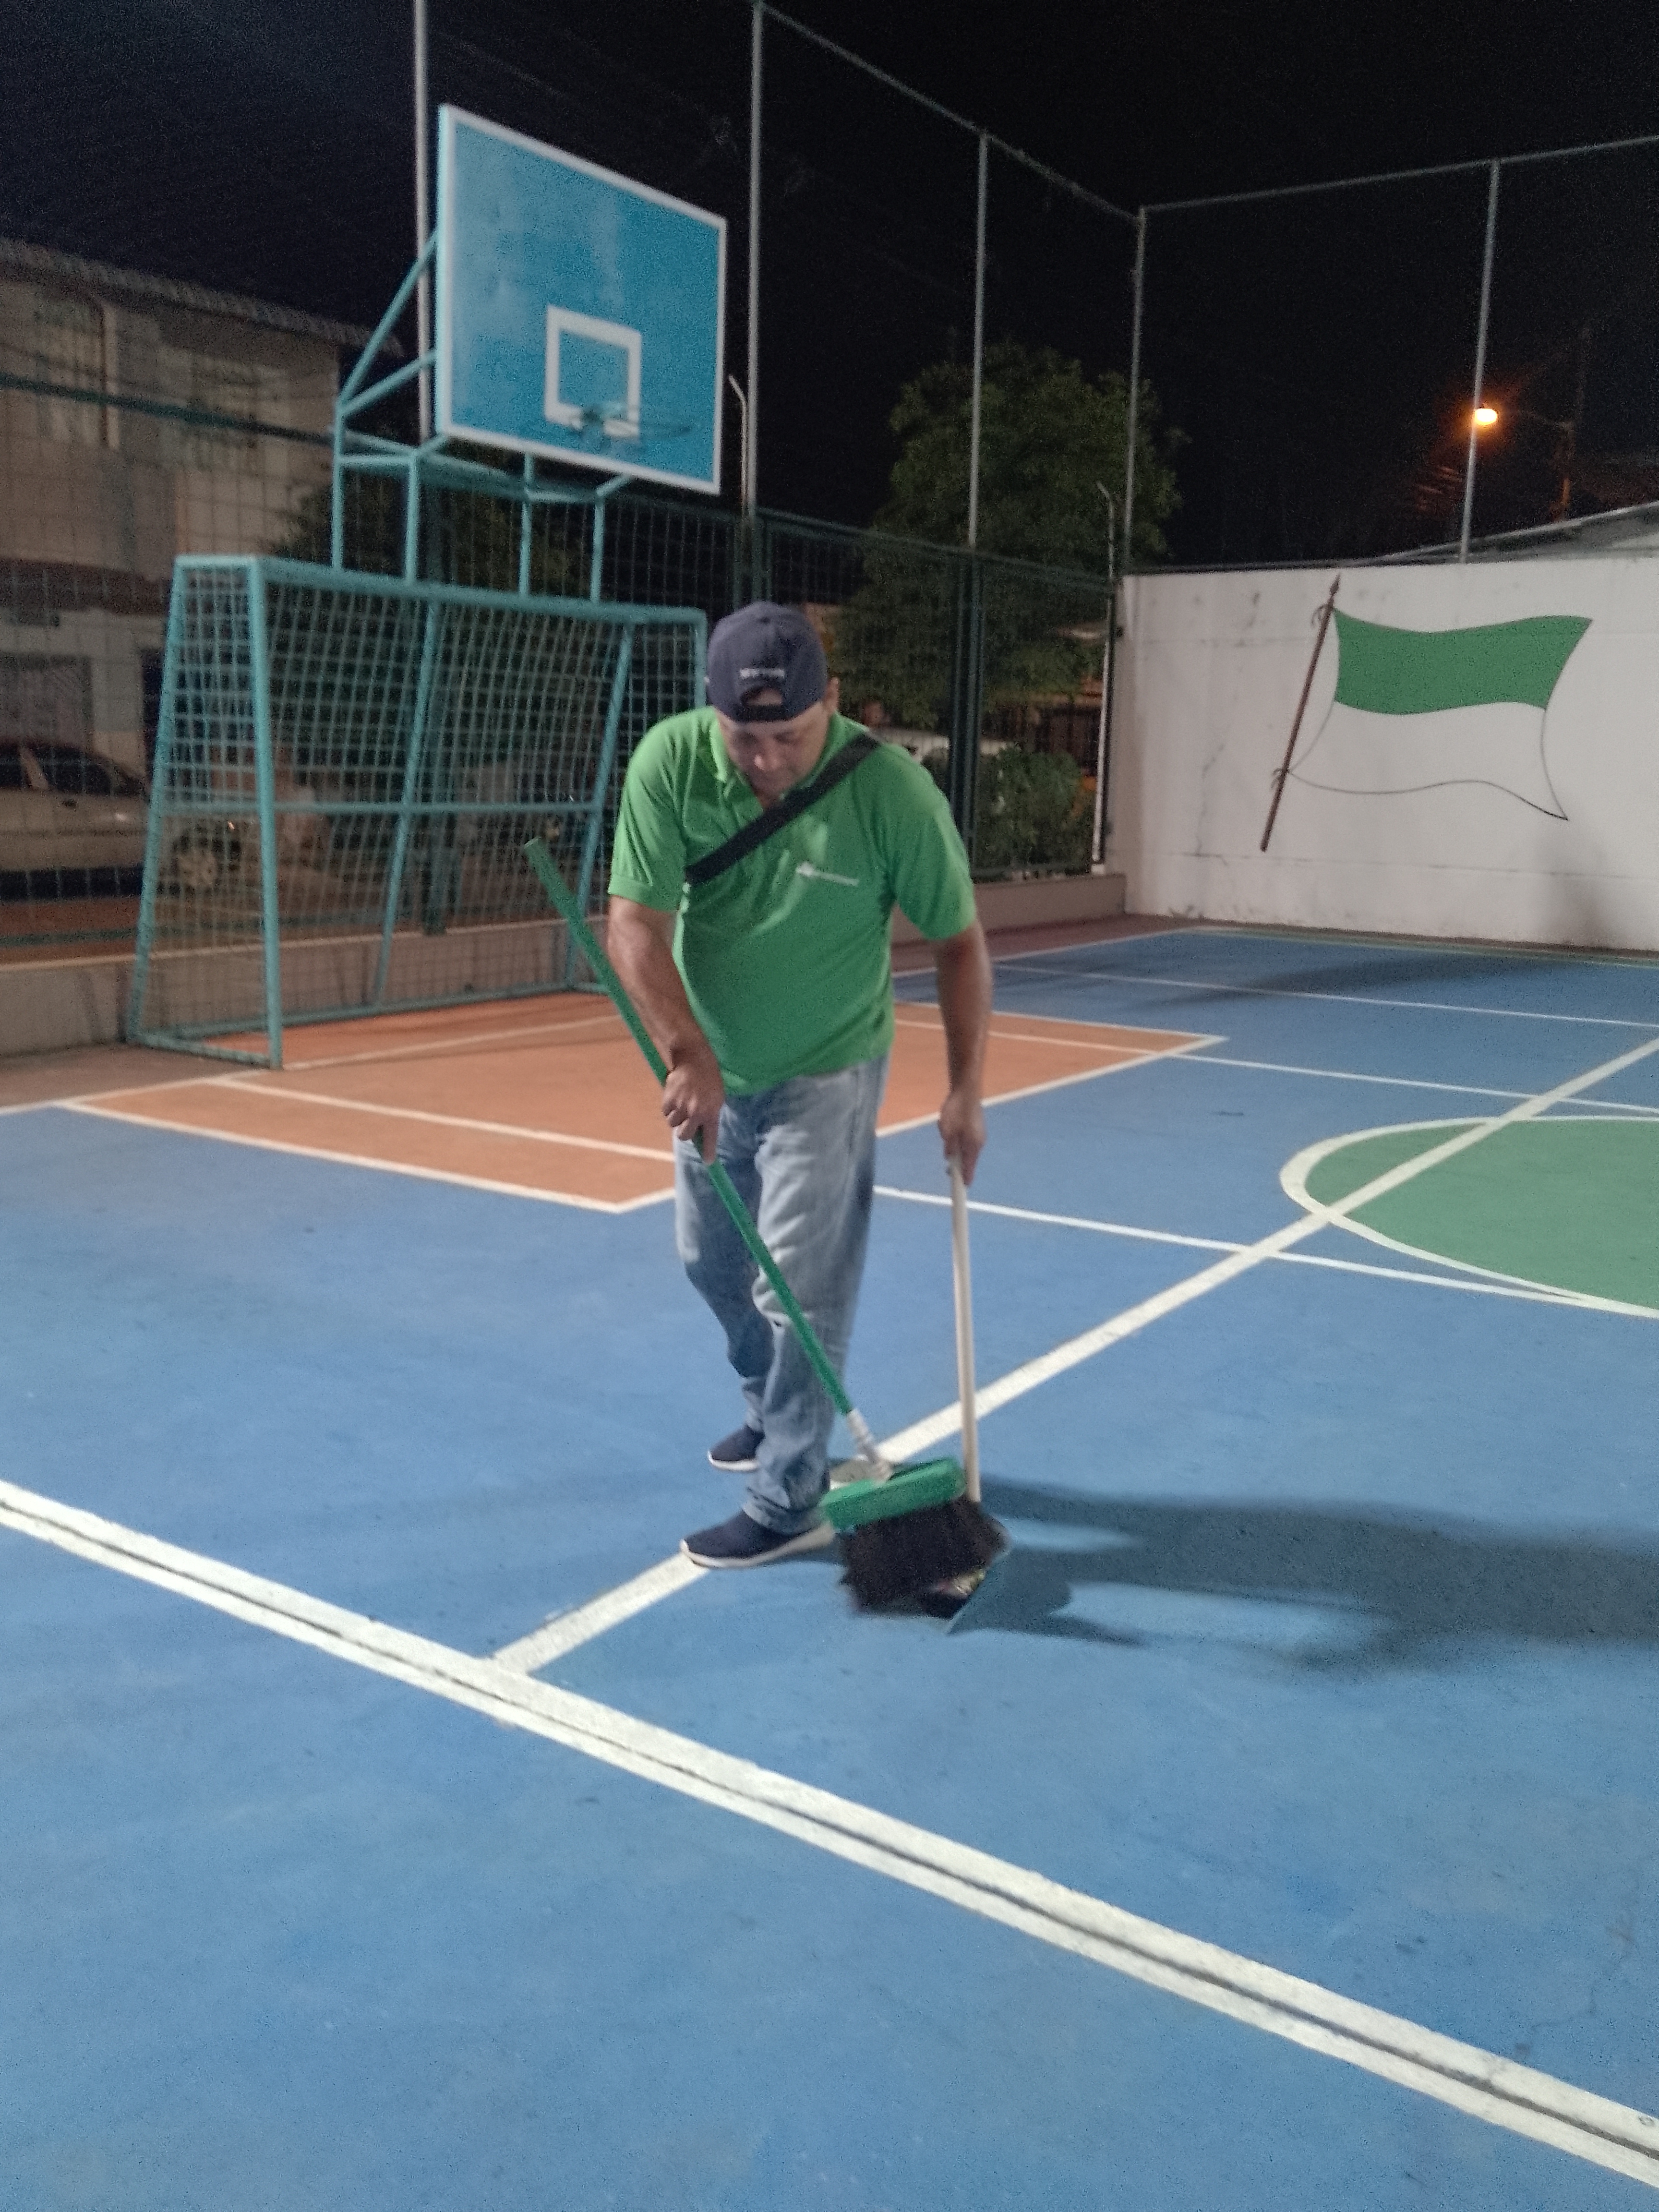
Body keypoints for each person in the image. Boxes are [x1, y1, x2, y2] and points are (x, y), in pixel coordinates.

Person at [605, 601, 991, 1568]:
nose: (766, 759)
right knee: (709, 1263)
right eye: (745, 736)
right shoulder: (670, 764)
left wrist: (965, 1090)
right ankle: (770, 1406)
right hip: (715, 1072)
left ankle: (789, 1494)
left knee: (801, 1291)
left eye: (791, 736)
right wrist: (687, 1051)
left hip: (830, 1065)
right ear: (712, 711)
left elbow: (959, 943)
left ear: (833, 704)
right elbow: (633, 925)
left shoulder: (892, 794)